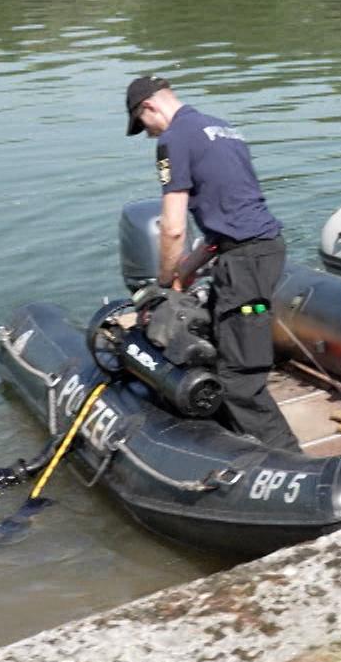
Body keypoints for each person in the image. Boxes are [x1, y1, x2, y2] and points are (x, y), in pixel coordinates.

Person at [126, 75, 299, 453]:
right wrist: (185, 275)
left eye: (143, 127)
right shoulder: (220, 128)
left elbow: (172, 228)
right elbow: (230, 215)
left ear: (149, 107)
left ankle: (293, 462)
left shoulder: (174, 139)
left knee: (238, 379)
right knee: (225, 346)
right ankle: (232, 439)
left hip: (244, 262)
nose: (149, 135)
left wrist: (163, 280)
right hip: (261, 249)